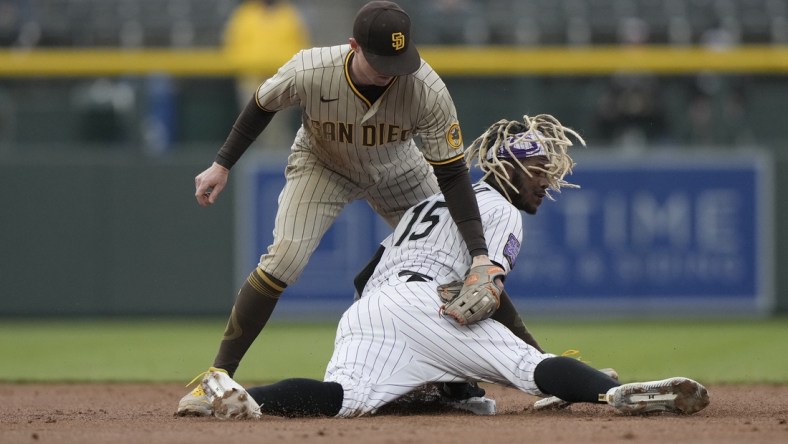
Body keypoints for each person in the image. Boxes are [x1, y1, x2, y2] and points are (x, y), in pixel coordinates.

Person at [193, 114, 711, 419]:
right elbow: (489, 287)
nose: (545, 181)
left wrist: (392, 340)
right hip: (425, 305)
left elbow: (361, 277)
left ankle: (240, 399)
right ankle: (613, 391)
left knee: (343, 397)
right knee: (527, 368)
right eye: (536, 171)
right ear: (507, 168)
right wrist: (531, 350)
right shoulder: (502, 209)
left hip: (369, 309)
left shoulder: (428, 204)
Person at [180, 1, 523, 416]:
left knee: (463, 266)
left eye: (399, 59)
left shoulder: (426, 88)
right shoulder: (311, 69)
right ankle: (216, 377)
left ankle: (499, 374)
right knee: (283, 259)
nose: (391, 70)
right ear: (353, 47)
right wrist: (222, 164)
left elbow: (452, 176)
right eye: (381, 60)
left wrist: (478, 253)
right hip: (322, 165)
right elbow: (261, 105)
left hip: (400, 168)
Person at [222, 0, 310, 149]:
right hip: (252, 78)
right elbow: (231, 46)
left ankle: (279, 162)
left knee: (278, 128)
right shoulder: (245, 13)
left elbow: (302, 47)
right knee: (250, 125)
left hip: (282, 79)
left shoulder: (289, 13)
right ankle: (255, 161)